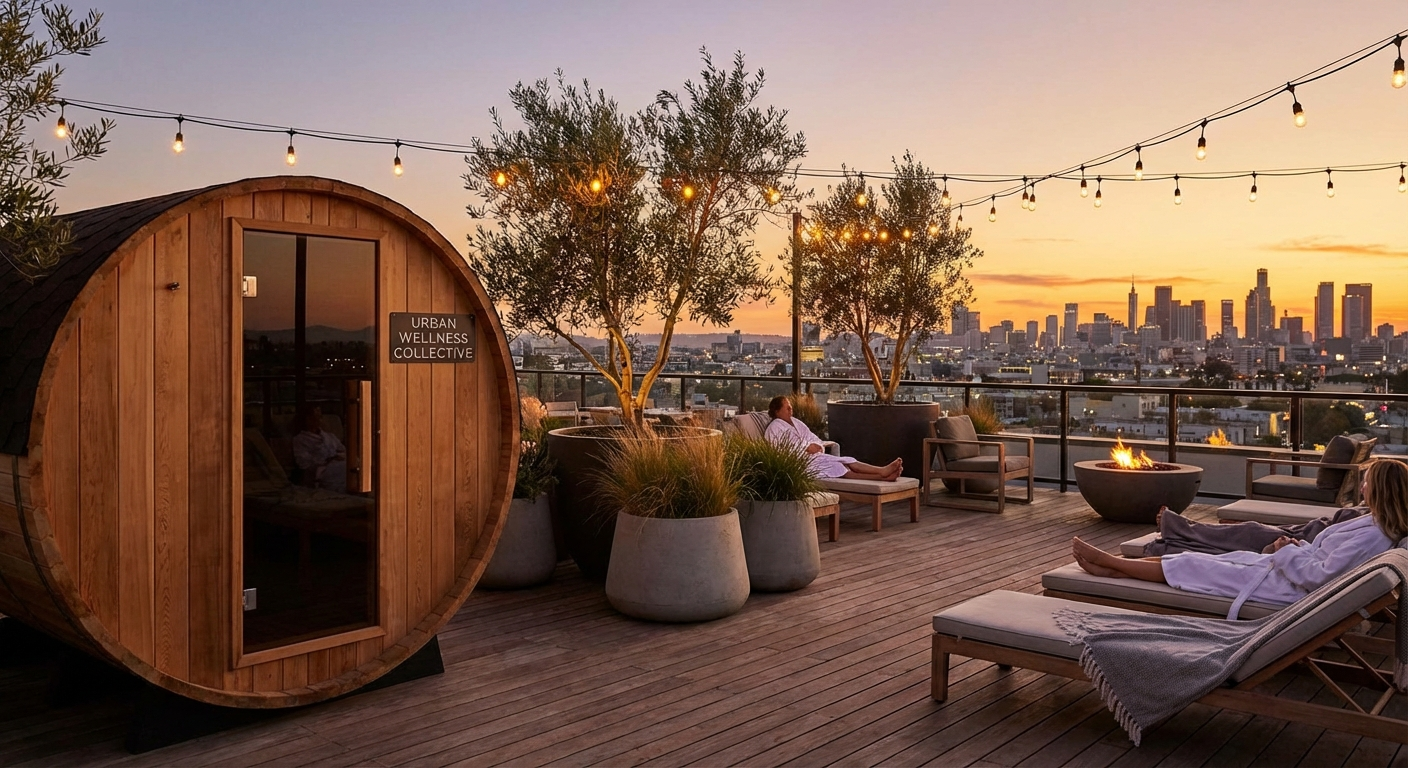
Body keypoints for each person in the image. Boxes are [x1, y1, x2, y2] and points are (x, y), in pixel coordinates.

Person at [1072, 458, 1408, 617]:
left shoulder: (1373, 537)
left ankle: (1113, 565)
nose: (1362, 486)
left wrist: (1287, 553)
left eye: (1367, 482)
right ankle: (1116, 567)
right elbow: (1322, 562)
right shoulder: (1374, 525)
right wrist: (1291, 548)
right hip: (1281, 571)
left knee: (1192, 563)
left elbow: (1320, 577)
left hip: (1283, 589)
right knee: (1197, 560)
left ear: (1379, 489)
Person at [763, 395, 903, 481]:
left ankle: (882, 471)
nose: (791, 410)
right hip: (799, 464)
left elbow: (811, 436)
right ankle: (882, 476)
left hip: (813, 457)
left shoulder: (796, 423)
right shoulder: (774, 428)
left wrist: (817, 446)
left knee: (847, 461)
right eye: (787, 408)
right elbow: (779, 452)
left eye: (791, 407)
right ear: (777, 411)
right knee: (840, 467)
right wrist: (805, 449)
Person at [1144, 505, 1368, 556]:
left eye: (1367, 484)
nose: (1361, 487)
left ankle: (1176, 528)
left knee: (1246, 532)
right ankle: (1178, 533)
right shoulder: (1378, 517)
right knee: (1242, 532)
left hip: (1300, 542)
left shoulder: (1374, 524)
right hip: (1306, 533)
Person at [291, 405, 348, 492]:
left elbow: (343, 450)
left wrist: (339, 456)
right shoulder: (300, 440)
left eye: (319, 416)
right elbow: (303, 462)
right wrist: (326, 460)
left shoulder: (330, 436)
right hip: (321, 471)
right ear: (306, 419)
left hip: (338, 463)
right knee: (345, 468)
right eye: (313, 417)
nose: (317, 420)